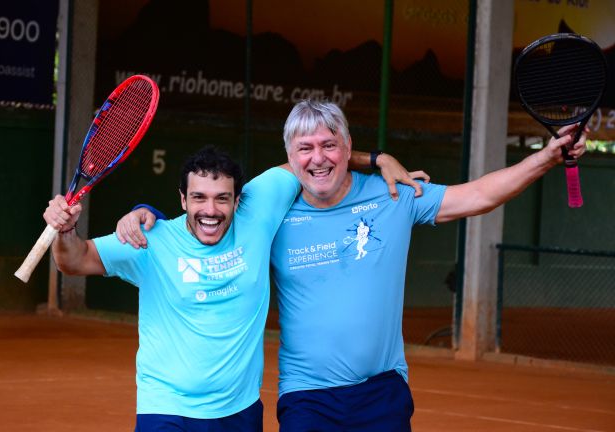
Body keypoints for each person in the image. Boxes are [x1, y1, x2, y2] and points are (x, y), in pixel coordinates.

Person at [118, 100, 587, 431]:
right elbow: (205, 216)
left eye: (329, 145)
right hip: (306, 398)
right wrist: (148, 214)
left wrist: (546, 157)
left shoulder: (393, 196)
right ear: (289, 159)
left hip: (382, 391)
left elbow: (479, 195)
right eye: (305, 148)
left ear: (347, 147)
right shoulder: (270, 211)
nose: (318, 158)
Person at [45, 144, 422, 432]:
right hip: (167, 408)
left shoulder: (257, 212)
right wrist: (65, 232)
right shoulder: (150, 239)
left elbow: (313, 162)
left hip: (238, 412)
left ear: (238, 199)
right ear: (182, 199)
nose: (210, 210)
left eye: (222, 198)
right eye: (199, 198)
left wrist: (375, 158)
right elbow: (74, 261)